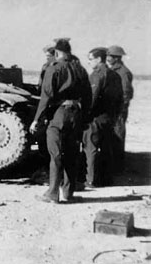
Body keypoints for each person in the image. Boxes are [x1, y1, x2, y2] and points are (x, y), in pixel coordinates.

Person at [29, 38, 92, 203]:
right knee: (72, 154)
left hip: (59, 115)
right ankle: (69, 192)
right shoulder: (81, 70)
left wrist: (36, 119)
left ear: (56, 52)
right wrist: (84, 116)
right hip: (76, 115)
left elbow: (46, 97)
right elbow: (88, 96)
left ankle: (52, 194)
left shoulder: (54, 69)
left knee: (55, 154)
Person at [82, 48, 123, 187]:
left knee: (91, 149)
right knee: (106, 149)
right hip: (108, 118)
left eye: (90, 59)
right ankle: (107, 179)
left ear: (99, 59)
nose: (88, 62)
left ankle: (91, 179)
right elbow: (120, 99)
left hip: (95, 118)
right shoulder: (115, 75)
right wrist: (114, 116)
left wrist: (85, 115)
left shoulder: (97, 75)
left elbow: (91, 98)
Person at [106, 45, 133, 172]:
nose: (107, 58)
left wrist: (120, 110)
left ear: (116, 58)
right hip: (112, 109)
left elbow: (126, 93)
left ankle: (118, 167)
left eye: (109, 56)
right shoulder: (113, 70)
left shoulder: (123, 72)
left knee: (118, 136)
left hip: (118, 110)